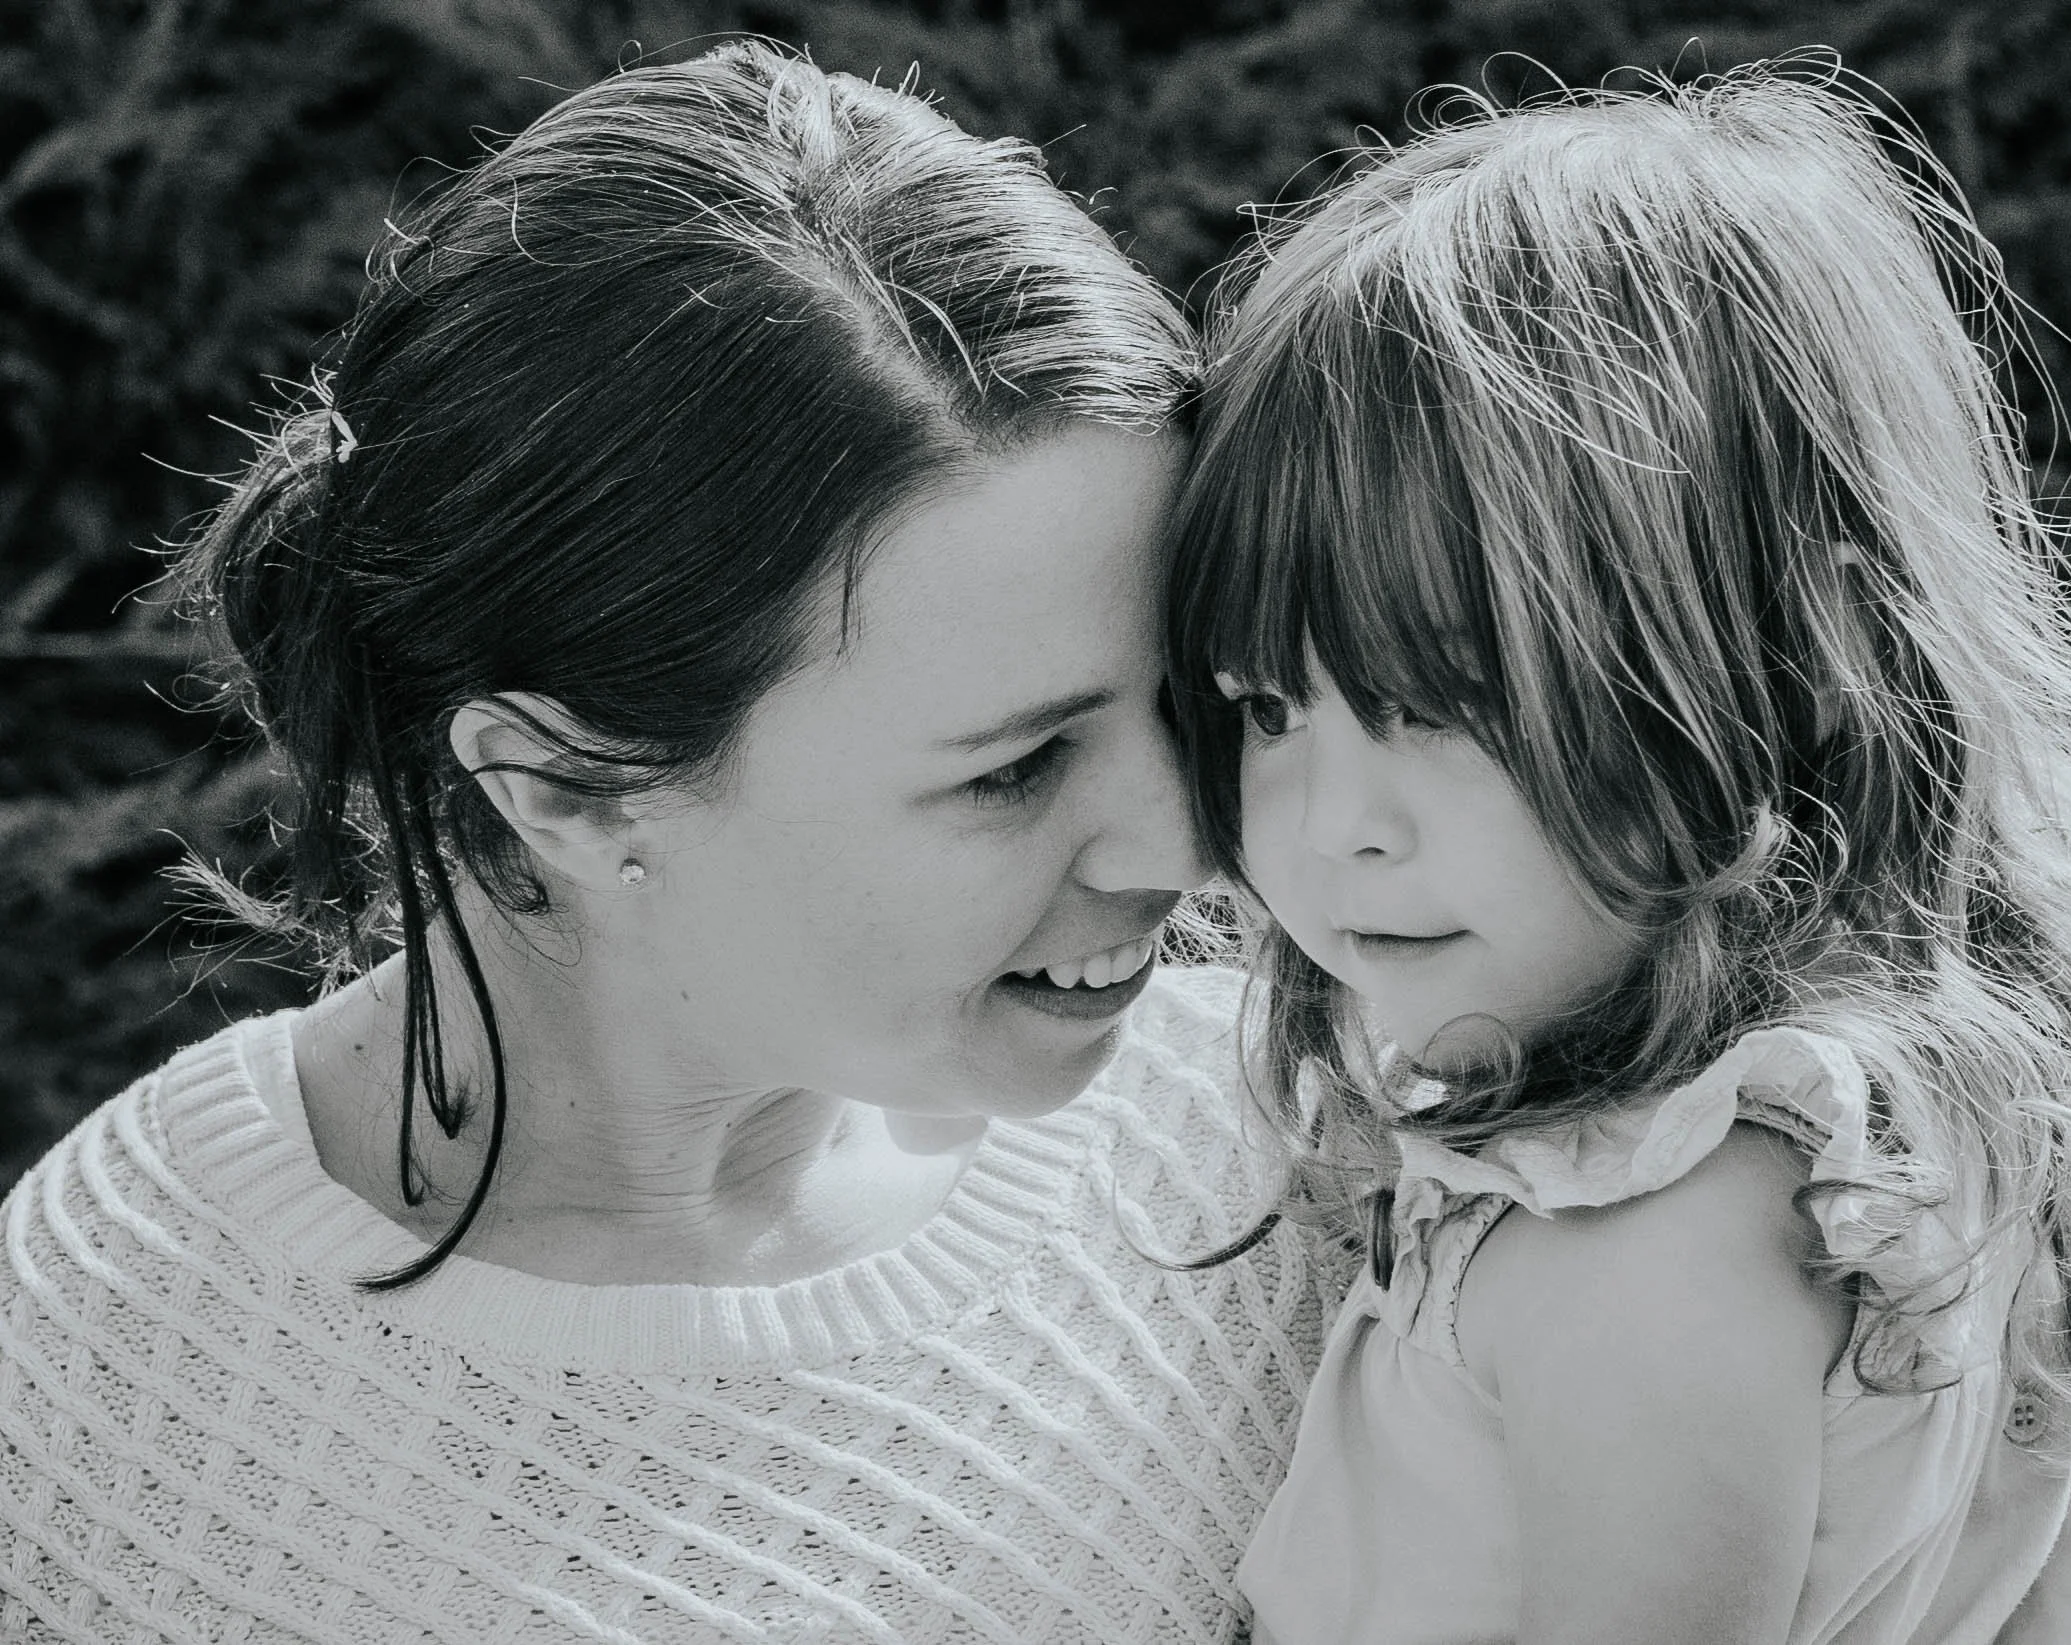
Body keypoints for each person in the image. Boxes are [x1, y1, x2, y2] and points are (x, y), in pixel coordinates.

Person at [0, 42, 1327, 1643]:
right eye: (1014, 768)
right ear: (559, 786)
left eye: (1188, 698)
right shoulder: (118, 1399)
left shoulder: (1306, 1137)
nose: (1192, 843)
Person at [1165, 61, 2071, 1644]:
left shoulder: (1634, 1244)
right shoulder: (2006, 1121)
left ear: (1808, 651)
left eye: (1449, 701)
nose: (1333, 822)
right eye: (1272, 704)